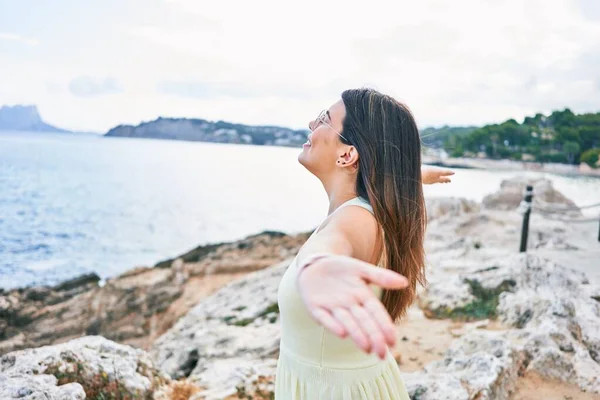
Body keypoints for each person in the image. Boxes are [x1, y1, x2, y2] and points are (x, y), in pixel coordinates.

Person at [275, 88, 453, 399]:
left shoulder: (354, 220)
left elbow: (332, 244)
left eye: (322, 120)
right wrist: (410, 175)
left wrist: (316, 265)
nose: (310, 124)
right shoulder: (368, 208)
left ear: (347, 155)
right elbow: (382, 179)